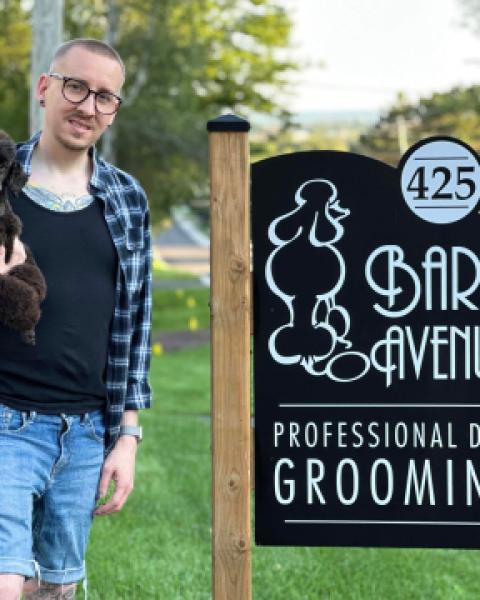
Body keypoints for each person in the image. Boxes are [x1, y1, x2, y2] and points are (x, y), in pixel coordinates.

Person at [0, 38, 152, 599]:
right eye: (76, 86)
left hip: (87, 432)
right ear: (45, 88)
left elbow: (135, 325)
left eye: (105, 97)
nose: (88, 106)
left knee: (53, 589)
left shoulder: (126, 199)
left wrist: (127, 440)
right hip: (5, 421)